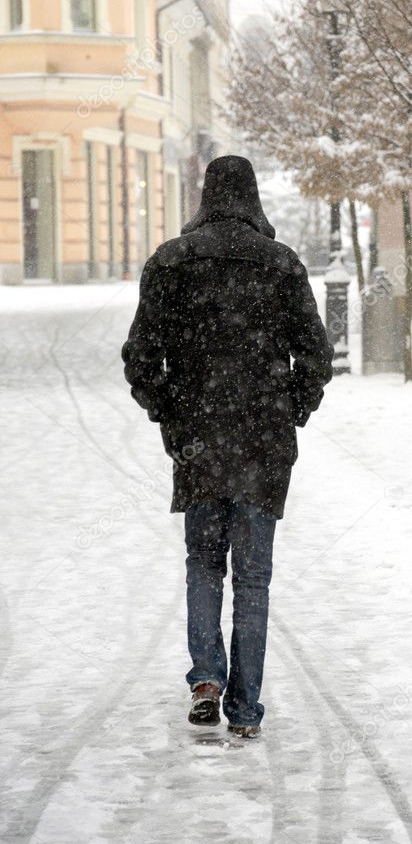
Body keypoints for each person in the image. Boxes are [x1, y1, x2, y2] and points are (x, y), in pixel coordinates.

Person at [122, 156, 333, 737]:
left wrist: (170, 414)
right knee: (254, 578)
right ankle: (244, 709)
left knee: (203, 564)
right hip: (263, 441)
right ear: (254, 198)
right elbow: (315, 354)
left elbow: (140, 358)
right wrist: (292, 407)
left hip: (199, 440)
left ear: (205, 197)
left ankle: (206, 675)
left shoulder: (169, 262)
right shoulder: (281, 264)